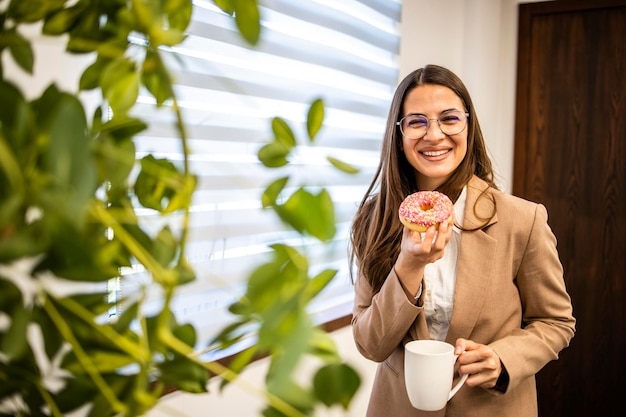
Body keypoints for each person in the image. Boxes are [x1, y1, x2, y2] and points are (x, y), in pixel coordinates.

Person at [349, 64, 575, 417]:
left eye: (449, 119)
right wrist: (409, 266)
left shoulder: (522, 219)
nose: (434, 135)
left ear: (468, 126)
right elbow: (370, 344)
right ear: (399, 133)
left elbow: (556, 323)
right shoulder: (373, 219)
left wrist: (503, 358)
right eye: (417, 121)